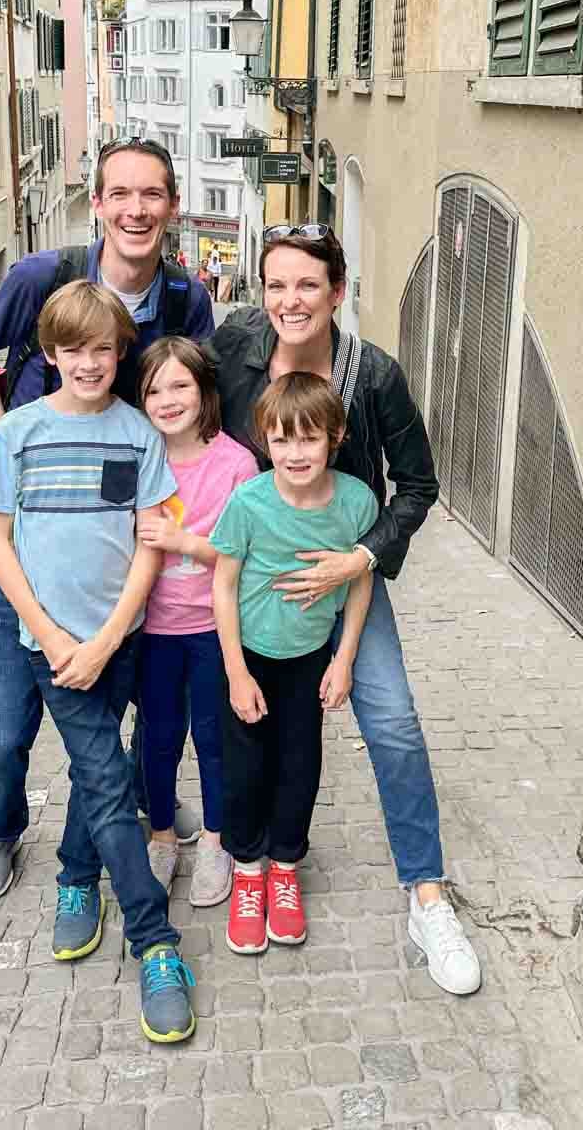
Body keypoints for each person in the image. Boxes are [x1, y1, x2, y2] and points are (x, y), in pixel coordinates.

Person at [208, 224, 482, 996]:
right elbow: (161, 396)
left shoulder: (373, 375)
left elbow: (419, 487)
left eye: (307, 285)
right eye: (277, 285)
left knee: (391, 720)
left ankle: (427, 898)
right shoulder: (236, 349)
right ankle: (224, 851)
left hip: (347, 575)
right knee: (222, 715)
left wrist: (359, 558)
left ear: (336, 290)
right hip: (254, 581)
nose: (291, 300)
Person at [0, 140, 214, 910]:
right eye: (120, 194)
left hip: (116, 542)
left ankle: (137, 802)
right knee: (2, 728)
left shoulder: (183, 299)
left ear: (170, 206)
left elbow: (187, 401)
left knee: (142, 706)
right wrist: (2, 438)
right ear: (96, 203)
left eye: (153, 195)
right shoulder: (45, 277)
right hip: (22, 537)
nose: (137, 210)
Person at [0, 280, 195, 1043]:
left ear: (119, 352)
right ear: (49, 353)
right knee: (109, 778)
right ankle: (156, 943)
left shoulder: (139, 436)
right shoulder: (19, 434)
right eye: (73, 349)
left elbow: (150, 542)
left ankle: (77, 880)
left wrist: (109, 637)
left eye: (103, 348)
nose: (89, 362)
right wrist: (49, 631)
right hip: (53, 648)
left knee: (94, 769)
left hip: (119, 642)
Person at [212, 373, 376, 955]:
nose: (294, 453)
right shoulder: (249, 502)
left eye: (308, 439)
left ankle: (285, 865)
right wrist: (235, 670)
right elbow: (223, 584)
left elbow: (359, 585)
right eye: (281, 440)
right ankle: (248, 871)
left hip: (311, 658)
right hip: (251, 658)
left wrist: (345, 659)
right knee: (247, 768)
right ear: (265, 442)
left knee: (300, 766)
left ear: (336, 436)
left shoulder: (357, 502)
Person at [136, 336, 258, 909]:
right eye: (154, 389)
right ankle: (163, 837)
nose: (167, 399)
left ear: (204, 389)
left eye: (180, 385)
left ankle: (215, 840)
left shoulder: (235, 463)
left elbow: (248, 555)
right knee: (158, 742)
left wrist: (185, 541)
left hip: (212, 629)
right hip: (153, 631)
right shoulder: (139, 455)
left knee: (213, 741)